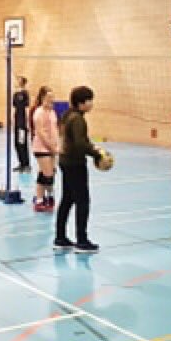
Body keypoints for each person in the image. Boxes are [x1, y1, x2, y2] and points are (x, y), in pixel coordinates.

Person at [54, 86, 102, 254]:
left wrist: (91, 147)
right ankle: (82, 240)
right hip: (75, 164)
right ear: (82, 102)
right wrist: (97, 154)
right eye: (90, 100)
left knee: (67, 199)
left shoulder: (68, 115)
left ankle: (60, 238)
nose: (92, 103)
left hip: (65, 162)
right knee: (83, 201)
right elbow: (80, 143)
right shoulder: (78, 120)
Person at [31, 86, 60, 212]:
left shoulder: (52, 112)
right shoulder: (39, 113)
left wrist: (57, 145)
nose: (51, 99)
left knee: (47, 173)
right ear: (42, 98)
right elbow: (41, 133)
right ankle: (43, 199)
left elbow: (55, 129)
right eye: (49, 97)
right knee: (48, 176)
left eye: (52, 97)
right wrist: (51, 147)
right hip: (42, 148)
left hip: (52, 148)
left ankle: (43, 198)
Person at [12, 75, 31, 173]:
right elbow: (14, 108)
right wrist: (13, 121)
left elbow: (27, 108)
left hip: (22, 124)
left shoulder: (25, 94)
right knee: (16, 144)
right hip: (17, 123)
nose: (16, 81)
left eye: (18, 80)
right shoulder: (15, 94)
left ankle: (26, 165)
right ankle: (21, 163)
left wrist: (27, 123)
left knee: (22, 143)